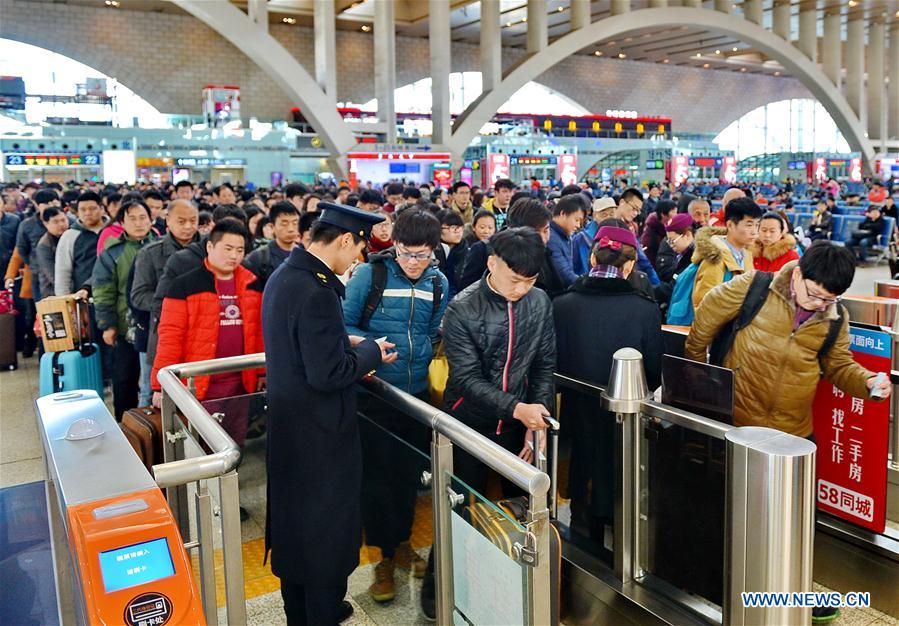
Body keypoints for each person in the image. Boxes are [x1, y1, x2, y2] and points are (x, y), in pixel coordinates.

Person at [263, 202, 395, 626]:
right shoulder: (317, 290)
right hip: (321, 438)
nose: (356, 261)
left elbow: (301, 349)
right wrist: (372, 350)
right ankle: (321, 612)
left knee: (295, 531)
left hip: (288, 429)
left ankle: (298, 614)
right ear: (344, 241)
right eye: (357, 252)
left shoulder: (286, 276)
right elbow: (328, 374)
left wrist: (344, 343)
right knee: (324, 536)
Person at [421, 227, 554, 618]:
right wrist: (518, 409)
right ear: (492, 262)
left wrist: (538, 414)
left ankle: (513, 585)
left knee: (525, 509)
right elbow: (465, 379)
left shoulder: (540, 302)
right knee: (459, 506)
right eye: (515, 280)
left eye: (530, 281)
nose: (521, 290)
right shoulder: (463, 307)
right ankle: (438, 584)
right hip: (468, 423)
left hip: (519, 425)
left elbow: (545, 365)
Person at [343, 208, 448, 604]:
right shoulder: (370, 276)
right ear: (393, 246)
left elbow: (432, 330)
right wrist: (371, 349)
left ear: (434, 251)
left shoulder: (438, 283)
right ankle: (382, 559)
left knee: (407, 476)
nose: (414, 263)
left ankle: (401, 542)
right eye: (406, 253)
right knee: (376, 479)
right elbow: (343, 324)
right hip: (372, 394)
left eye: (422, 255)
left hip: (415, 397)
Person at [553, 225, 662, 548]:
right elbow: (654, 370)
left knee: (582, 471)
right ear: (629, 266)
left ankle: (583, 539)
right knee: (618, 476)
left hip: (573, 412)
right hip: (624, 417)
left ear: (591, 259)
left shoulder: (562, 304)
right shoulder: (644, 309)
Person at [151, 219, 264, 452]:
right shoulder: (184, 285)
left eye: (240, 250)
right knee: (201, 443)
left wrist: (261, 371)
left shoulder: (253, 284)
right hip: (201, 382)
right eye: (228, 248)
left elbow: (259, 331)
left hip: (240, 382)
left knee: (235, 440)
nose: (234, 256)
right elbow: (170, 337)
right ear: (210, 247)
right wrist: (158, 385)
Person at [91, 199, 157, 419]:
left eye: (143, 218)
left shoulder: (160, 245)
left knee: (153, 380)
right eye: (132, 218)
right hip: (124, 324)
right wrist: (107, 325)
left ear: (151, 220)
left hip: (154, 323)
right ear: (121, 222)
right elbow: (102, 291)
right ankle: (125, 423)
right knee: (125, 377)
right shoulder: (112, 253)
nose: (138, 223)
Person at [131, 199, 200, 405]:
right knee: (151, 393)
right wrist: (176, 308)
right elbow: (138, 294)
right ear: (167, 220)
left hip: (201, 333)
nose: (188, 226)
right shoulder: (151, 254)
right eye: (181, 221)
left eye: (193, 220)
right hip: (163, 334)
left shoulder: (209, 248)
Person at [691, 197, 762, 308]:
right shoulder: (714, 257)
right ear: (730, 225)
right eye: (749, 225)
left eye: (757, 225)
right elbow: (705, 305)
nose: (754, 232)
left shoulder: (746, 254)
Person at [242, 201, 300, 289]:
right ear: (272, 227)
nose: (291, 229)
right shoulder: (259, 258)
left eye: (295, 223)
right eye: (284, 224)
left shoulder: (305, 254)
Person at [653, 213, 696, 309]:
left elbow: (676, 286)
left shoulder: (694, 258)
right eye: (668, 241)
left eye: (672, 240)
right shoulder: (682, 254)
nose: (671, 245)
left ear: (688, 235)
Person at [547, 194, 586, 288]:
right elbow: (565, 276)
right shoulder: (551, 238)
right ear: (562, 214)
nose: (578, 226)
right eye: (576, 220)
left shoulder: (563, 236)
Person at [34, 207, 70, 298]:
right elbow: (52, 275)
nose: (61, 224)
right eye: (56, 222)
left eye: (63, 220)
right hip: (52, 293)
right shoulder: (44, 246)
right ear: (46, 224)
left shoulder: (71, 236)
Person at [434, 209, 468, 300]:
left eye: (460, 227)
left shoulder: (468, 251)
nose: (457, 231)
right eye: (452, 227)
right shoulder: (432, 253)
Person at [641, 199, 677, 266]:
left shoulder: (672, 228)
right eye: (673, 212)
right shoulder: (650, 233)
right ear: (663, 214)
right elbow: (647, 257)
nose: (676, 215)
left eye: (676, 212)